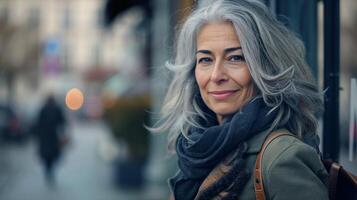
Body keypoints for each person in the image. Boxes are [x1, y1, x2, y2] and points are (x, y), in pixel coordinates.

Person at [152, 0, 329, 199]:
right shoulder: (197, 150)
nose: (216, 75)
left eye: (235, 58)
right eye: (206, 60)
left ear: (266, 67)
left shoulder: (282, 158)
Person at [35, 94, 67, 186]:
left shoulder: (43, 109)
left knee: (47, 156)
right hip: (53, 137)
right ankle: (50, 171)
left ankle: (48, 171)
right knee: (53, 156)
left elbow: (38, 124)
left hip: (45, 138)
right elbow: (63, 122)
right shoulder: (57, 109)